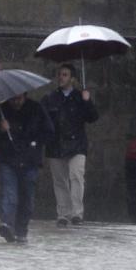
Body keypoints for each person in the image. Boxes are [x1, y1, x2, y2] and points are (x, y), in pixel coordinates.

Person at [0, 92, 54, 243]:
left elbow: (49, 131)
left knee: (27, 196)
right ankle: (7, 223)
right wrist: (0, 129)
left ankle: (21, 229)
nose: (16, 102)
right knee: (9, 193)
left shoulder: (36, 108)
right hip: (7, 158)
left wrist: (35, 142)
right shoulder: (0, 110)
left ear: (25, 96)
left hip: (29, 159)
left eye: (19, 98)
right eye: (13, 98)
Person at [42, 62, 99, 226]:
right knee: (59, 180)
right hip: (56, 144)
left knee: (76, 176)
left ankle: (76, 213)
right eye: (60, 74)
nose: (61, 77)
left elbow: (93, 117)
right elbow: (44, 118)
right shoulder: (51, 98)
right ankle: (63, 213)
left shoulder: (80, 97)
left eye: (65, 74)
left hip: (77, 144)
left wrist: (87, 101)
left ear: (72, 78)